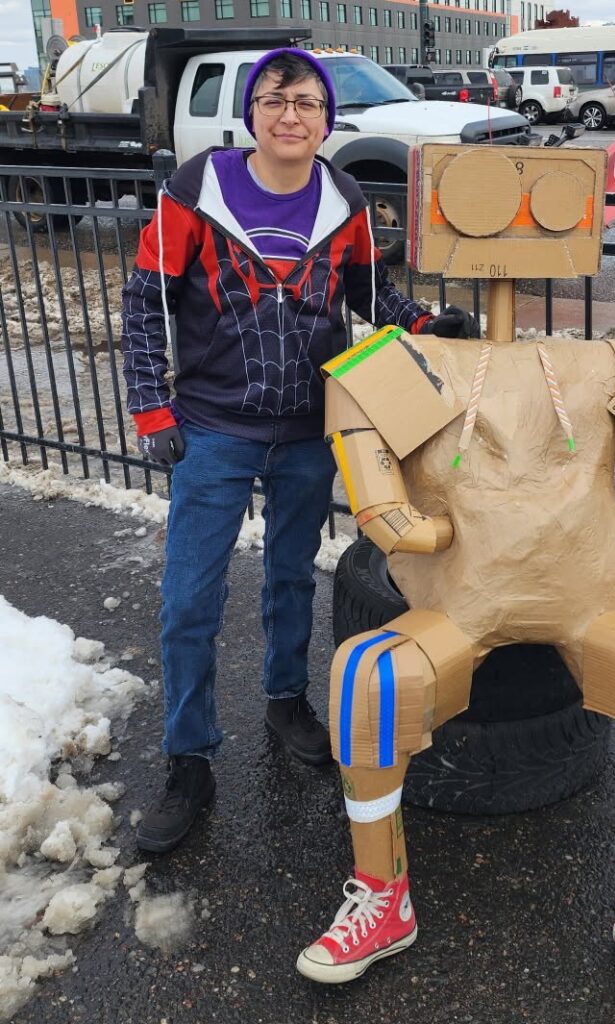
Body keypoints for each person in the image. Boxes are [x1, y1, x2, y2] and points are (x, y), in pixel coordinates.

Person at [120, 47, 478, 854]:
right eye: (277, 100)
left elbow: (368, 298)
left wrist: (425, 324)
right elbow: (146, 300)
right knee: (189, 603)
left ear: (325, 119)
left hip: (312, 429)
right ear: (252, 113)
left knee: (291, 579)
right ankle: (189, 757)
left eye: (308, 103)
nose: (292, 115)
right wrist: (150, 407)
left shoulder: (342, 199)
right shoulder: (195, 190)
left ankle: (286, 701)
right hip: (212, 429)